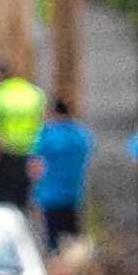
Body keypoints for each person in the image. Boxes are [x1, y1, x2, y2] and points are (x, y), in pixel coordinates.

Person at [0, 61, 45, 207]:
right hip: (29, 158)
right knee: (22, 205)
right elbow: (43, 127)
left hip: (3, 159)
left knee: (3, 205)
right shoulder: (34, 95)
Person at [29, 99, 94, 250]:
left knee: (53, 240)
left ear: (53, 113)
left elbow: (35, 165)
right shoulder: (80, 134)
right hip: (74, 194)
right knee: (73, 238)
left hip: (50, 195)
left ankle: (57, 266)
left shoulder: (47, 134)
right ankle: (74, 268)